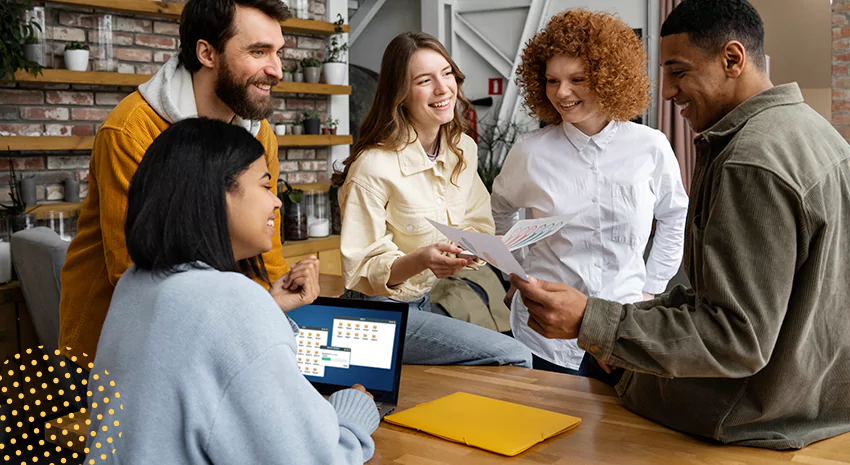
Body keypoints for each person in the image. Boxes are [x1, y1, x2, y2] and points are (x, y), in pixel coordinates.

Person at [510, 0, 850, 450]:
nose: (667, 92)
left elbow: (735, 338)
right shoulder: (825, 140)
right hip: (811, 410)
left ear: (733, 59)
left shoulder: (749, 161)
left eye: (679, 72)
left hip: (744, 421)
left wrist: (596, 321)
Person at [83, 118, 377, 464]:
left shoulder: (136, 283)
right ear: (217, 194)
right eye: (266, 186)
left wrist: (266, 307)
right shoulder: (230, 300)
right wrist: (355, 412)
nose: (277, 203)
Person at [59, 0, 312, 367]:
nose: (276, 70)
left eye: (278, 52)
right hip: (109, 354)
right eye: (259, 51)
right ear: (207, 53)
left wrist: (275, 330)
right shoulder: (132, 131)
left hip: (210, 337)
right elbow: (135, 269)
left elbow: (265, 253)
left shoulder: (260, 136)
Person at [491, 9, 688, 379]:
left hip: (625, 327)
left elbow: (675, 215)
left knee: (623, 435)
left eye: (577, 78)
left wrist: (652, 287)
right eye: (552, 80)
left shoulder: (651, 147)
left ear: (610, 78)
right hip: (544, 335)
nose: (561, 93)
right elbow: (499, 212)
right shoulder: (530, 152)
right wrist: (518, 274)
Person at [333, 31, 532, 367]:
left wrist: (479, 247)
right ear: (400, 94)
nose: (443, 89)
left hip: (421, 303)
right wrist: (423, 259)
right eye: (425, 80)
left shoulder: (463, 150)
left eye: (447, 74)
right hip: (375, 315)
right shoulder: (372, 166)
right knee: (514, 355)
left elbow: (475, 223)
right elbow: (362, 271)